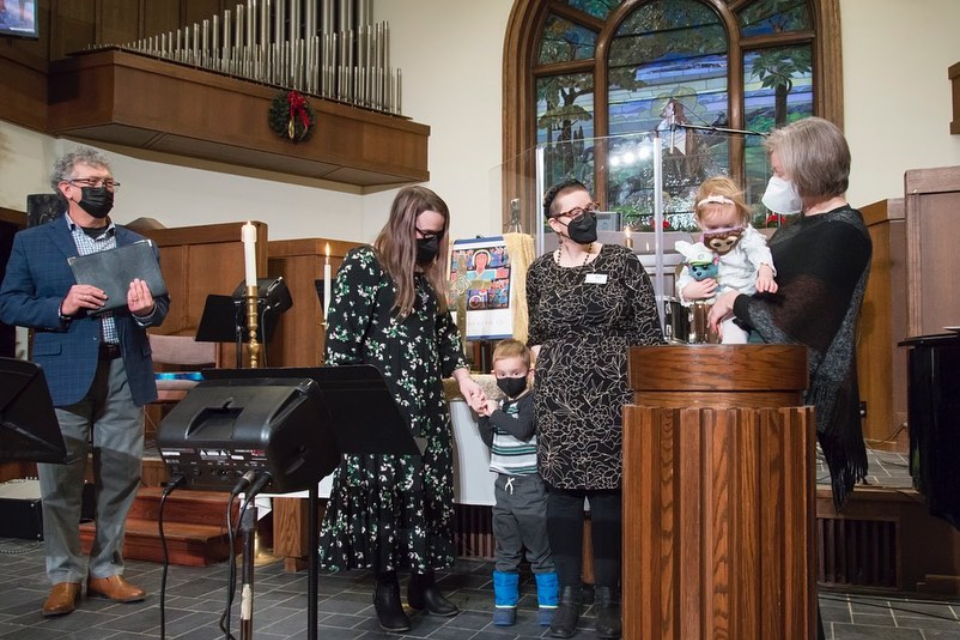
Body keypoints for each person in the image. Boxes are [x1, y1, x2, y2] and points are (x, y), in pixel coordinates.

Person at [0, 147, 169, 617]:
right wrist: (62, 305)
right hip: (63, 373)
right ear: (67, 189)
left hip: (123, 368)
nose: (102, 190)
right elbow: (10, 304)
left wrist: (146, 310)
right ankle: (64, 575)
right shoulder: (33, 243)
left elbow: (161, 305)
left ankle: (105, 570)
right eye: (92, 182)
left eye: (109, 183)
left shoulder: (138, 244)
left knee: (120, 476)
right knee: (60, 481)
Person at [318, 185, 486, 632]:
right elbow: (339, 348)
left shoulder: (428, 276)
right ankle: (387, 587)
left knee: (428, 493)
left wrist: (466, 381)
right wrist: (348, 414)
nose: (430, 242)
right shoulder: (364, 266)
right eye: (422, 233)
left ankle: (424, 583)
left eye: (437, 235)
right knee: (387, 499)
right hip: (380, 410)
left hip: (426, 406)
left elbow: (445, 337)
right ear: (401, 226)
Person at [707, 116, 871, 511]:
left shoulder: (842, 233)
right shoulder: (797, 227)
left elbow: (795, 319)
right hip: (762, 376)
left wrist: (734, 302)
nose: (774, 183)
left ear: (808, 170)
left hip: (799, 382)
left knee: (776, 500)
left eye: (780, 173)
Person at [527, 179, 664, 638]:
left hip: (613, 396)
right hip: (558, 400)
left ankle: (608, 595)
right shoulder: (539, 271)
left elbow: (649, 331)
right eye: (573, 211)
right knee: (561, 498)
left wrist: (649, 394)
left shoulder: (622, 262)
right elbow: (537, 334)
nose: (586, 216)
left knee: (608, 497)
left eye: (590, 207)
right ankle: (569, 595)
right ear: (555, 224)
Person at [474, 339, 558, 627]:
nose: (508, 380)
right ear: (494, 374)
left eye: (514, 373)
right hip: (504, 487)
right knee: (506, 550)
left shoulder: (531, 402)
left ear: (529, 373)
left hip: (531, 488)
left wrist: (494, 413)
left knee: (539, 550)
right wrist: (483, 415)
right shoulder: (500, 405)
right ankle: (504, 605)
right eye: (502, 375)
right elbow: (491, 440)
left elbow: (523, 431)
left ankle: (549, 606)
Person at [676, 175, 778, 343]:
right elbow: (685, 278)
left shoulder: (744, 239)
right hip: (709, 310)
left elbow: (759, 251)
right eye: (713, 227)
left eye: (729, 226)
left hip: (741, 308)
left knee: (734, 337)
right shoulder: (698, 252)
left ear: (740, 218)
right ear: (699, 222)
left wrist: (765, 272)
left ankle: (732, 364)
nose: (721, 233)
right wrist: (688, 291)